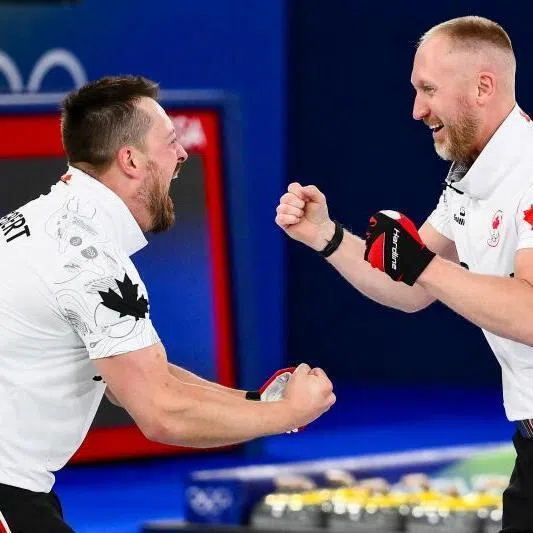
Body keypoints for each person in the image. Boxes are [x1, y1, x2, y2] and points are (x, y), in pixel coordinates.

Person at [0, 75, 335, 533]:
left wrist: (256, 401)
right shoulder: (88, 261)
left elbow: (133, 380)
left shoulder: (52, 220)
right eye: (171, 141)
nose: (182, 153)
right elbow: (159, 411)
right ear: (131, 159)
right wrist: (286, 415)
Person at [276, 15, 533, 532]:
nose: (417, 110)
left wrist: (422, 265)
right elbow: (409, 287)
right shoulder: (473, 178)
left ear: (483, 86)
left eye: (428, 90)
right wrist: (325, 236)